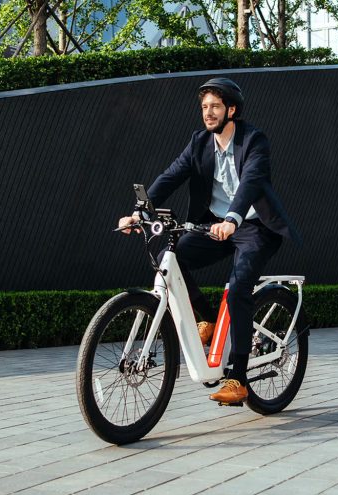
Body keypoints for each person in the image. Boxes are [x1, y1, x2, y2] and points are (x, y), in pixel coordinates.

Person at [118, 77, 301, 406]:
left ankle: (238, 378)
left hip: (254, 227)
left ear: (231, 110)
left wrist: (233, 219)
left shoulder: (254, 140)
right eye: (204, 107)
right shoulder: (199, 142)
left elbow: (251, 182)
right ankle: (208, 319)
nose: (208, 113)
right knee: (173, 257)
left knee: (239, 286)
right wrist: (137, 213)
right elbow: (170, 175)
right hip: (214, 226)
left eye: (215, 106)